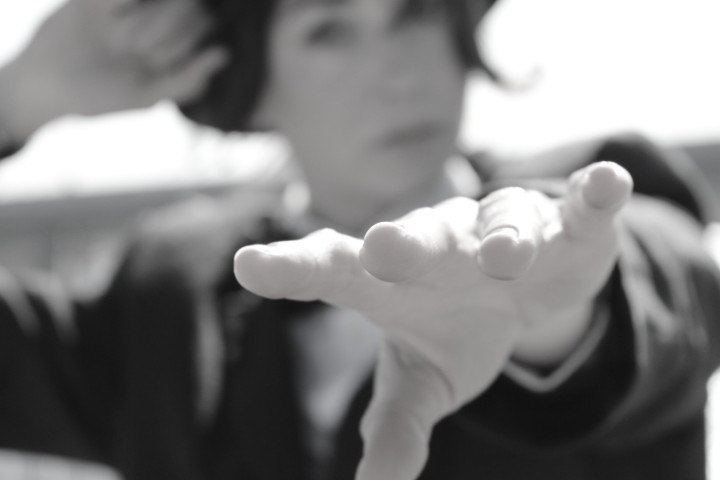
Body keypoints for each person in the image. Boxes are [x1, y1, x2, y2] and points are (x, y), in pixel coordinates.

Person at [1, 1, 719, 480]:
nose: (397, 72)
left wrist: (555, 317)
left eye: (415, 11)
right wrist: (14, 101)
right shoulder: (166, 286)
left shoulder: (599, 201)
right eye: (329, 29)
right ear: (248, 80)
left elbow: (667, 291)